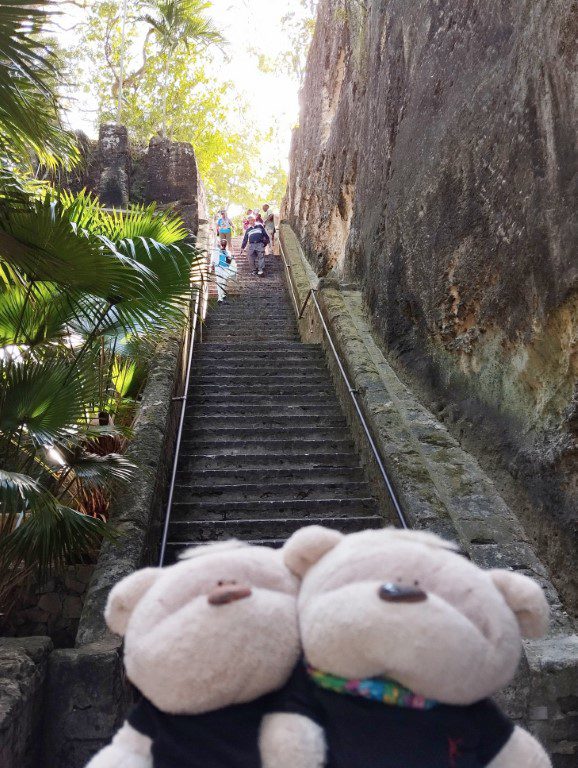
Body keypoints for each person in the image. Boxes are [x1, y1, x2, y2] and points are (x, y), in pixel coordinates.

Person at [210, 238, 236, 302]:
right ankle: (220, 298)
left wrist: (230, 258)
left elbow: (230, 262)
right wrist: (212, 265)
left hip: (225, 268)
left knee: (224, 282)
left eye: (224, 244)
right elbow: (212, 259)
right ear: (220, 244)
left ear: (226, 245)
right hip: (218, 268)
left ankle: (222, 294)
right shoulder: (215, 251)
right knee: (219, 282)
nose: (223, 245)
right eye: (222, 244)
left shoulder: (228, 252)